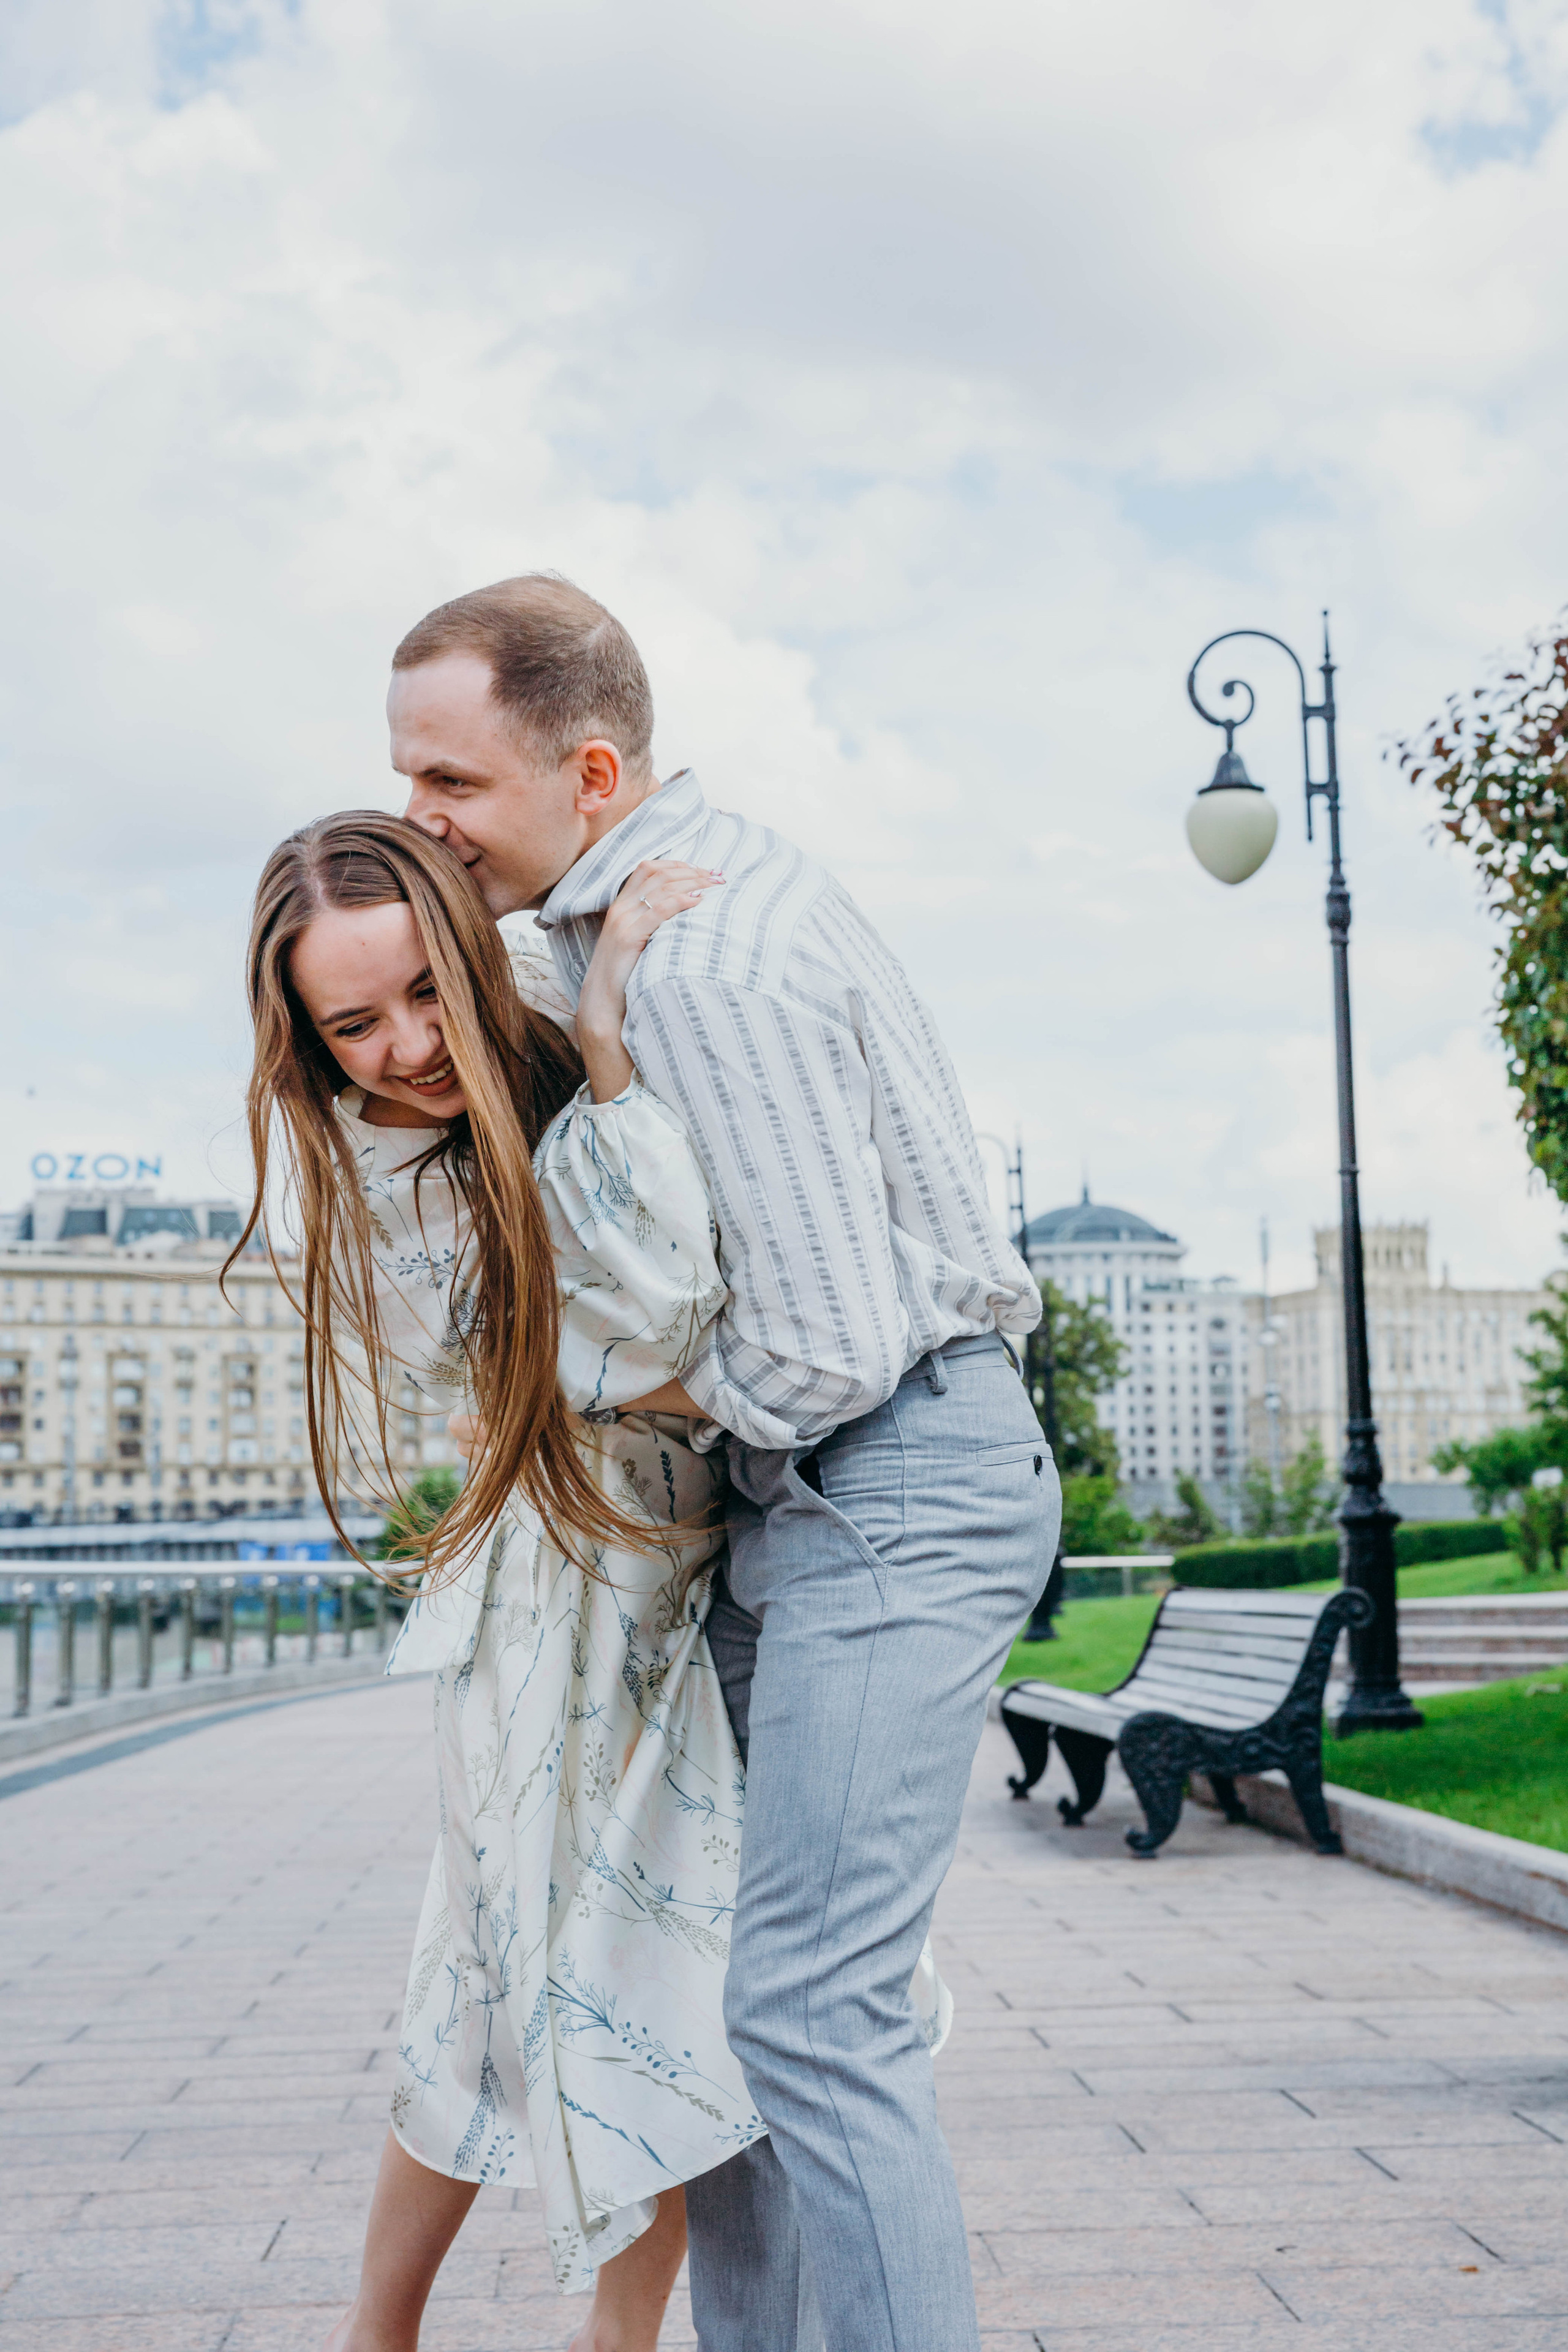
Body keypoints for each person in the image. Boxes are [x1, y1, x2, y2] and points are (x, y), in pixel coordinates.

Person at [388, 573, 1060, 2352]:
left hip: (887, 1478)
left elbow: (825, 1350)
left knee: (813, 2013)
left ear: (592, 774)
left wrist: (616, 1397)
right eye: (404, 778)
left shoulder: (704, 963)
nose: (419, 817)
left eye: (451, 781)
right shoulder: (646, 921)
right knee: (727, 2020)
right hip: (823, 1494)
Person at [233, 811, 753, 2352]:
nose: (403, 1047)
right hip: (558, 1602)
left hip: (675, 1575)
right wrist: (603, 1052)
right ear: (306, 1040)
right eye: (352, 1025)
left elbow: (641, 1341)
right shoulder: (384, 1172)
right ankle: (400, 2330)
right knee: (539, 1970)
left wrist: (585, 1028)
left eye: (421, 992)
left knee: (642, 1972)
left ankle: (573, 2337)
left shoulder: (520, 1032)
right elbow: (658, 1320)